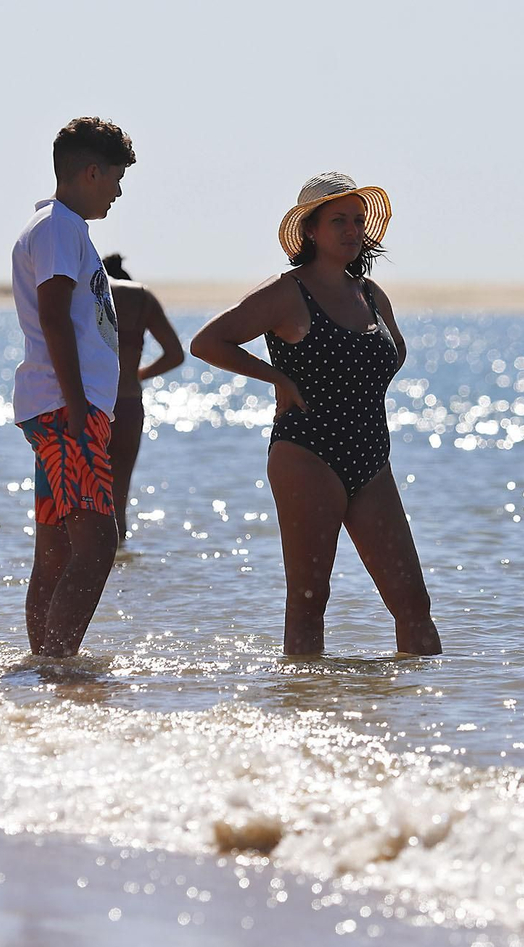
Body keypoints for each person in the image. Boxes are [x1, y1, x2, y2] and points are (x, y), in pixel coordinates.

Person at [190, 173, 441, 656]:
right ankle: (303, 698)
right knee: (309, 600)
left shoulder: (371, 294)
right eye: (338, 221)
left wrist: (361, 385)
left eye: (358, 220)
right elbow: (207, 342)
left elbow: (395, 351)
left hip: (371, 458)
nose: (352, 230)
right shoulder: (287, 292)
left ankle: (427, 699)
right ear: (310, 230)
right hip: (308, 453)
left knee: (413, 601)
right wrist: (278, 379)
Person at [10, 117, 135, 656]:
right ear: (90, 172)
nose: (118, 192)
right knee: (98, 543)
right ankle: (59, 664)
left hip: (60, 405)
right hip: (67, 408)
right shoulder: (59, 227)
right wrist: (80, 404)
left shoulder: (62, 227)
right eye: (115, 179)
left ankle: (44, 665)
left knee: (57, 550)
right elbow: (55, 316)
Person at [100, 253, 186, 540]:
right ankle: (121, 559)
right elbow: (175, 354)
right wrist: (137, 374)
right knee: (118, 499)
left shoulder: (85, 291)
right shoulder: (141, 297)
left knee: (81, 498)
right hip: (127, 402)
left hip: (89, 401)